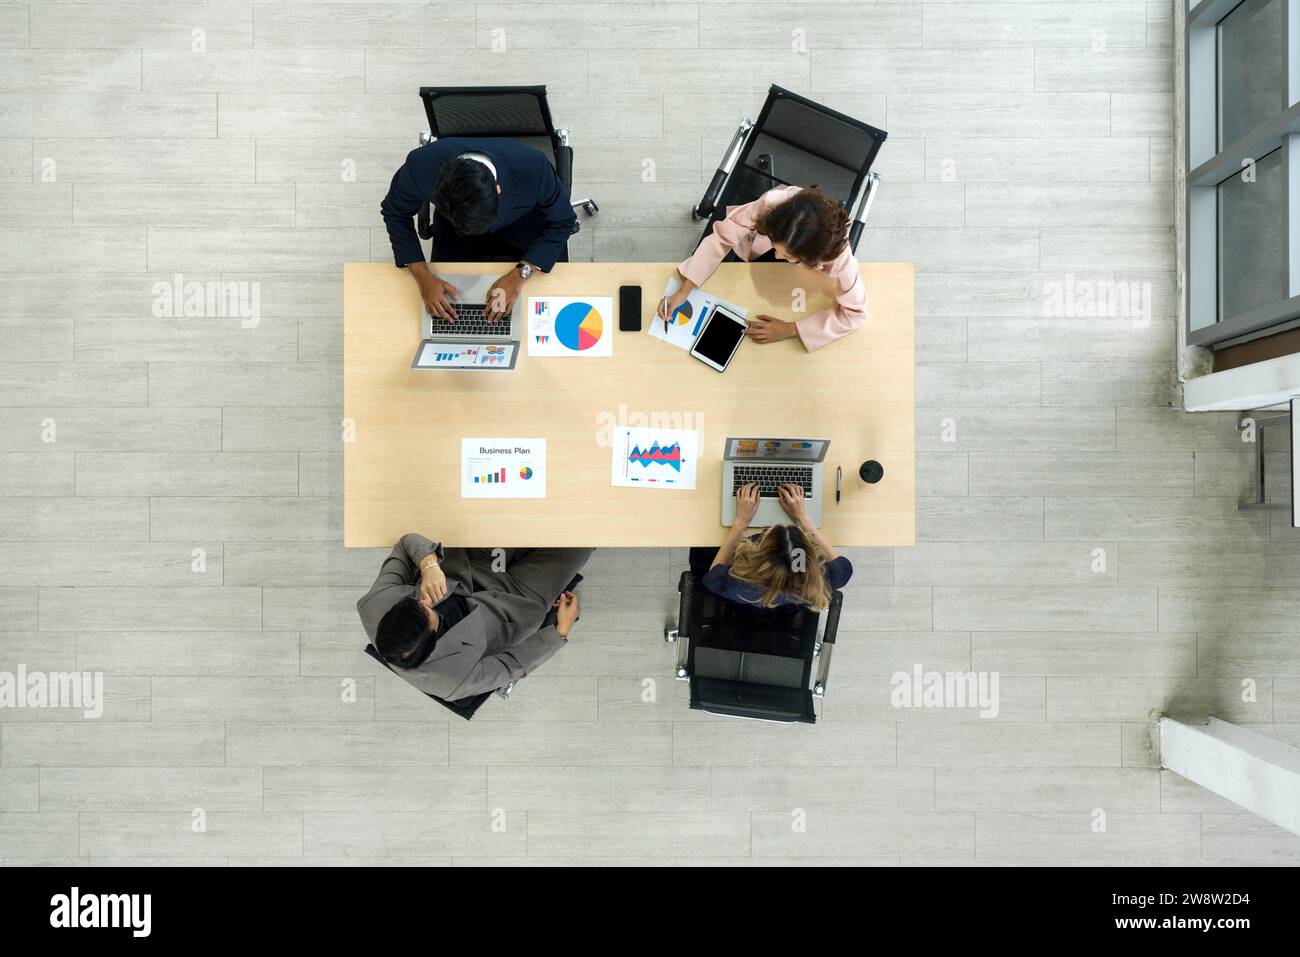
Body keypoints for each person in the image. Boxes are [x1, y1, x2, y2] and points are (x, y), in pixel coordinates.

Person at [357, 533, 592, 701]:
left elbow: (405, 544)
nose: (428, 599)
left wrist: (428, 566)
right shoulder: (452, 682)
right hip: (517, 600)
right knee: (583, 537)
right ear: (434, 643)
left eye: (417, 600)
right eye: (430, 610)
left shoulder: (374, 604)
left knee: (521, 505)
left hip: (472, 561)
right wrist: (560, 631)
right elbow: (513, 665)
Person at [380, 137, 577, 323]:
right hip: (456, 230)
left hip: (523, 225)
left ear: (498, 191)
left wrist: (519, 275)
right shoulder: (421, 166)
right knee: (448, 308)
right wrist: (422, 276)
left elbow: (563, 221)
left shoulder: (533, 168)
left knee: (538, 313)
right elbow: (395, 213)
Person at [657, 185, 865, 351]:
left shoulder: (840, 260)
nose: (777, 256)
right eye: (777, 247)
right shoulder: (772, 204)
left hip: (791, 284)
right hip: (757, 252)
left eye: (787, 256)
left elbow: (855, 313)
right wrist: (685, 291)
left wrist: (792, 329)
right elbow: (723, 236)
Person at [697, 483, 852, 611]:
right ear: (808, 556)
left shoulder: (738, 584)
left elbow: (712, 575)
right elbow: (845, 565)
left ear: (760, 553)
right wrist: (803, 519)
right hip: (787, 619)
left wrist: (740, 523)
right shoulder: (823, 581)